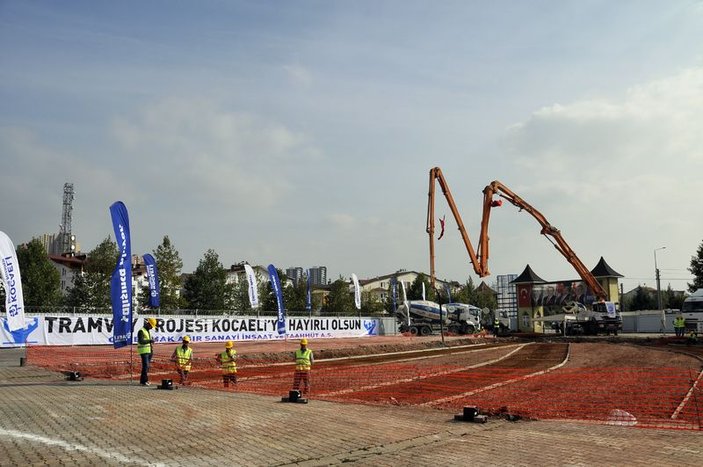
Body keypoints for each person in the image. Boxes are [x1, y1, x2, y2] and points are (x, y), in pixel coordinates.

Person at [137, 318, 156, 386]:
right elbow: (141, 341)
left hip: (149, 351)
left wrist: (151, 347)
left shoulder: (147, 331)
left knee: (147, 367)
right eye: (151, 326)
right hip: (144, 351)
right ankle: (145, 381)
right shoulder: (141, 331)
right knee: (145, 366)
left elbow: (147, 341)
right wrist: (150, 341)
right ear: (148, 324)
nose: (151, 328)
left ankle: (143, 381)